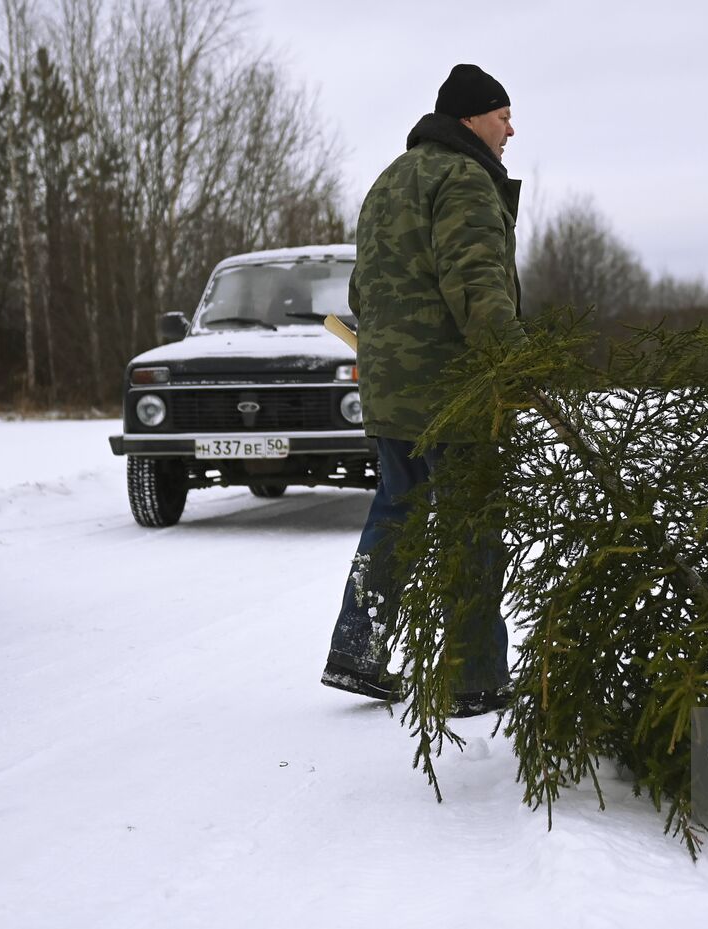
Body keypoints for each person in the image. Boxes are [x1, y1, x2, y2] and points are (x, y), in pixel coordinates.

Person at [321, 64, 522, 715]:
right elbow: (478, 287)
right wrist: (518, 367)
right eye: (502, 116)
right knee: (473, 526)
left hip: (390, 393)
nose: (510, 129)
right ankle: (475, 678)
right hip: (454, 394)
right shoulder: (463, 178)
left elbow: (361, 291)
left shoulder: (389, 181)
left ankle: (359, 649)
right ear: (471, 118)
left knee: (396, 514)